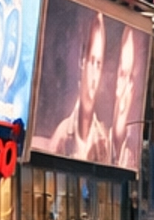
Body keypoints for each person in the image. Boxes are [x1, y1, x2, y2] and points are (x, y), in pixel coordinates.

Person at [47, 14, 112, 164]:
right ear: (83, 62)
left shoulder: (103, 142)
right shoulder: (61, 136)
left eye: (99, 65)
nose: (95, 75)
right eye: (92, 61)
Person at [109, 23, 145, 172]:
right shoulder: (97, 144)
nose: (126, 88)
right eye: (123, 74)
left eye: (132, 78)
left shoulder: (133, 155)